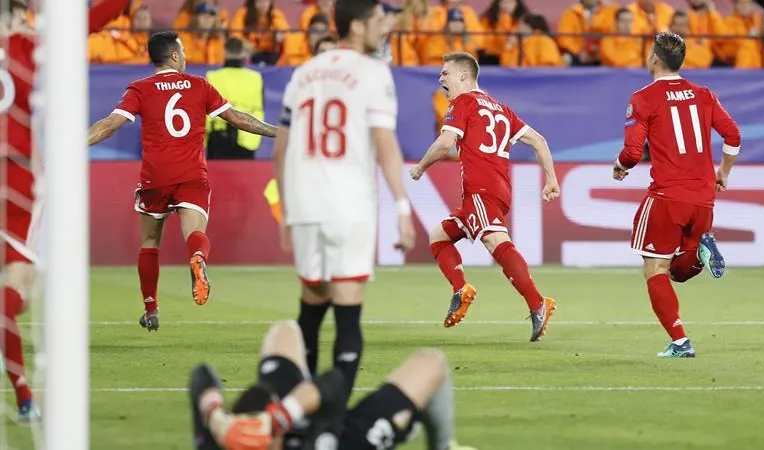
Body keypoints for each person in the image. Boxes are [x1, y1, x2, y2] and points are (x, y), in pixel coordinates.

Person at [87, 31, 279, 332]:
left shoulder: (139, 88)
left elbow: (110, 125)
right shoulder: (200, 86)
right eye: (184, 50)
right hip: (191, 175)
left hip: (155, 176)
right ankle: (198, 257)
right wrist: (279, 132)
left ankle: (151, 310)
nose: (186, 55)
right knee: (195, 234)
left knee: (150, 242)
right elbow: (238, 119)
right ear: (174, 56)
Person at [272, 0, 415, 397]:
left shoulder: (303, 73)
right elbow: (384, 142)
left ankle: (297, 412)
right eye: (377, 20)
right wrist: (402, 207)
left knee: (310, 312)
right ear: (357, 26)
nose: (383, 28)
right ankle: (332, 421)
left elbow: (279, 151)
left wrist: (287, 212)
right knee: (348, 317)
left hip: (305, 207)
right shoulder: (373, 73)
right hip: (348, 205)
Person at [0, 0, 132, 422]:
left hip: (19, 181)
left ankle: (23, 395)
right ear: (20, 13)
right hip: (17, 184)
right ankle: (24, 396)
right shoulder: (31, 44)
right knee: (14, 295)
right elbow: (91, 18)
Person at [410, 51, 560, 342]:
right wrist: (551, 179)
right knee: (439, 237)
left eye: (446, 73)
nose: (441, 78)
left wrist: (420, 167)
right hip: (496, 189)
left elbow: (445, 144)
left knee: (495, 241)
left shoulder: (463, 102)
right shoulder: (501, 108)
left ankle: (537, 302)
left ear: (464, 76)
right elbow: (538, 141)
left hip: (482, 189)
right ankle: (460, 288)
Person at [612, 31, 741, 358]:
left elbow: (630, 152)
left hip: (668, 196)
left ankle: (681, 341)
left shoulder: (643, 98)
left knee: (655, 270)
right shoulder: (704, 94)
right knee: (677, 272)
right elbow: (733, 136)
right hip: (703, 199)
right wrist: (723, 172)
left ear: (654, 58)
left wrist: (619, 167)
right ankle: (699, 254)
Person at [188, 321, 476, 450]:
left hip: (292, 415)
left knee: (285, 331)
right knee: (430, 363)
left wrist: (214, 416)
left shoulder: (220, 441)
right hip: (341, 438)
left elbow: (201, 375)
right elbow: (335, 384)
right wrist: (282, 417)